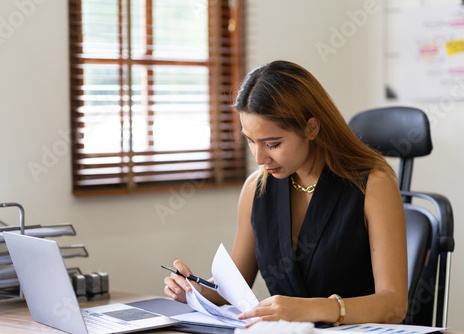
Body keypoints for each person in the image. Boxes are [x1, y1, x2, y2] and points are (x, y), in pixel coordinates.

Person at [163, 60, 408, 327]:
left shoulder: (373, 184)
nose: (259, 158)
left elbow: (394, 305)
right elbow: (234, 286)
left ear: (311, 128)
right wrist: (194, 289)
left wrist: (313, 309)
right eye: (250, 141)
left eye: (273, 144)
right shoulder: (255, 189)